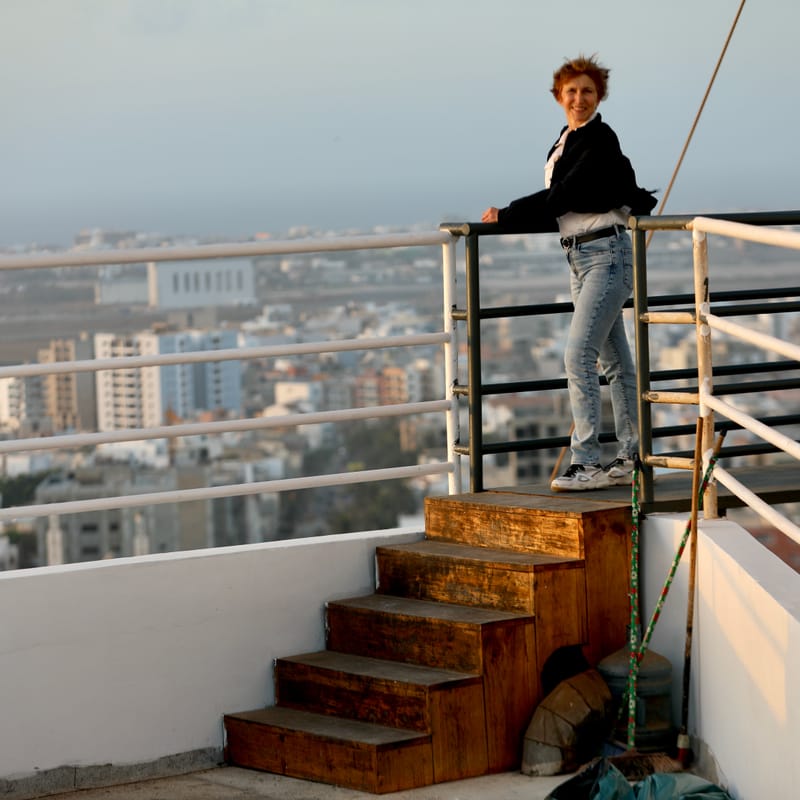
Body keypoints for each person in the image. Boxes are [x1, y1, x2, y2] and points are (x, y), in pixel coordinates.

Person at [482, 54, 656, 492]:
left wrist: (505, 214)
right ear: (559, 96)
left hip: (606, 256)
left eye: (588, 91)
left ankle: (587, 462)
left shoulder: (599, 141)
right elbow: (563, 204)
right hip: (581, 257)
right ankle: (632, 457)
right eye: (572, 91)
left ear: (600, 96)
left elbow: (563, 195)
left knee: (578, 356)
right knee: (615, 362)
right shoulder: (566, 140)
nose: (580, 98)